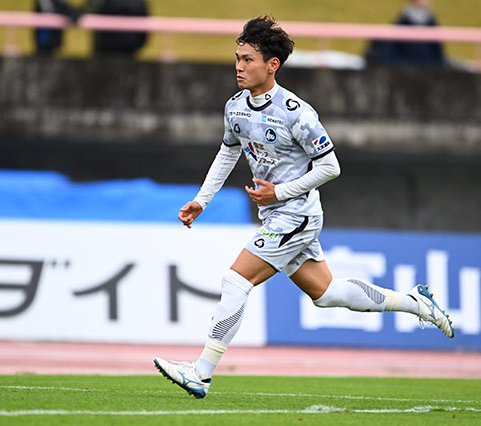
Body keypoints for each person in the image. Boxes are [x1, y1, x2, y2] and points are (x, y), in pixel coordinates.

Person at [153, 15, 454, 399]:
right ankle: (414, 303)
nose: (239, 66)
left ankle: (201, 373)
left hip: (296, 214)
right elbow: (228, 152)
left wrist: (279, 193)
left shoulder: (297, 113)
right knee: (326, 293)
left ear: (272, 65)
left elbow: (331, 167)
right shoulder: (235, 107)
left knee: (236, 281)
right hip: (278, 213)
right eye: (238, 58)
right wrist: (202, 199)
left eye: (248, 59)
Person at [364, 0, 445, 67]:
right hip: (405, 73)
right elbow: (390, 55)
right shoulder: (402, 22)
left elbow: (438, 56)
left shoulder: (431, 22)